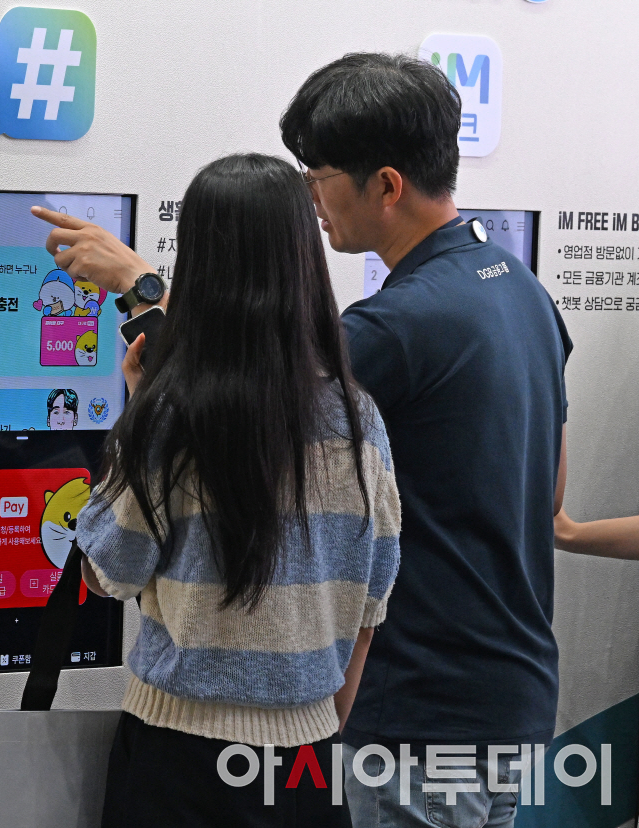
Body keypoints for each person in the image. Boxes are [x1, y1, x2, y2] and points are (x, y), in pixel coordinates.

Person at [39, 53, 571, 828]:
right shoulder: (521, 291)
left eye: (319, 175)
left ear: (385, 185)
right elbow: (550, 497)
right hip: (512, 699)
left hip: (413, 710)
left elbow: (246, 385)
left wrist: (145, 296)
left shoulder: (393, 330)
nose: (315, 200)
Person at [76, 153, 401, 827]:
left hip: (176, 764)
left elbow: (107, 572)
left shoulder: (171, 416)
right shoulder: (359, 419)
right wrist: (314, 728)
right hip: (308, 766)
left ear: (198, 264)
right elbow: (370, 606)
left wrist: (138, 415)